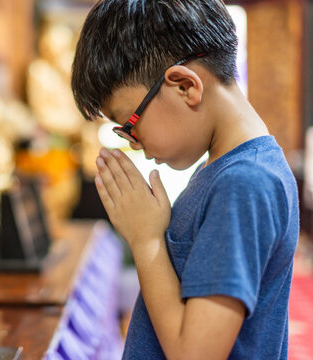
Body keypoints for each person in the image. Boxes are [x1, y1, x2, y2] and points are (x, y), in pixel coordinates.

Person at [71, 1, 299, 359]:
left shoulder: (243, 183)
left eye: (129, 124)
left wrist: (146, 240)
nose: (134, 143)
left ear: (184, 86)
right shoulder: (223, 170)